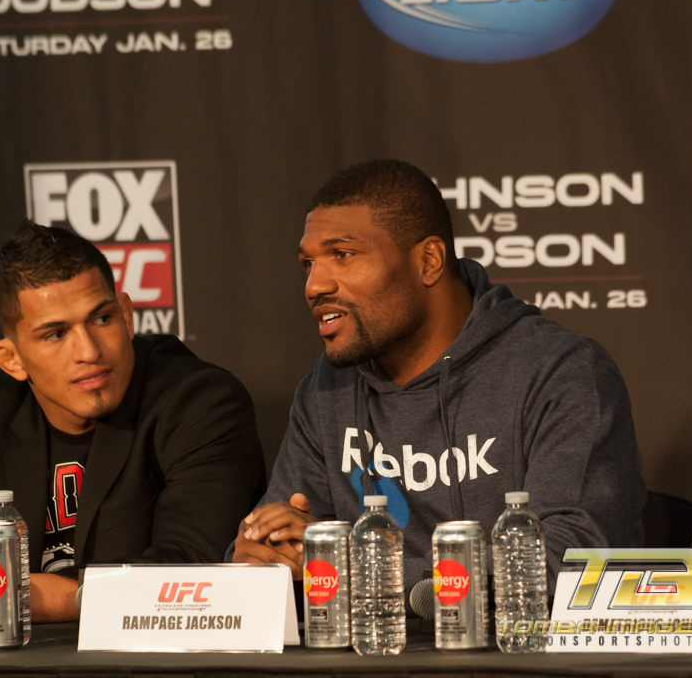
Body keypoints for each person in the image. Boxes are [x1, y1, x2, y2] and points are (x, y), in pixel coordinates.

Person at [229, 159, 645, 597]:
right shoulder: (327, 390)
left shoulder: (561, 372)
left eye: (343, 255)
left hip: (521, 662)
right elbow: (282, 553)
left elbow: (565, 567)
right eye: (308, 263)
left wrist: (351, 567)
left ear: (429, 261)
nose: (315, 285)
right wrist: (261, 557)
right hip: (371, 661)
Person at [0, 221, 266, 621]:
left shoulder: (200, 401)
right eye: (55, 334)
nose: (89, 350)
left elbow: (194, 570)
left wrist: (57, 598)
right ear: (12, 359)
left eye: (102, 318)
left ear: (127, 315)